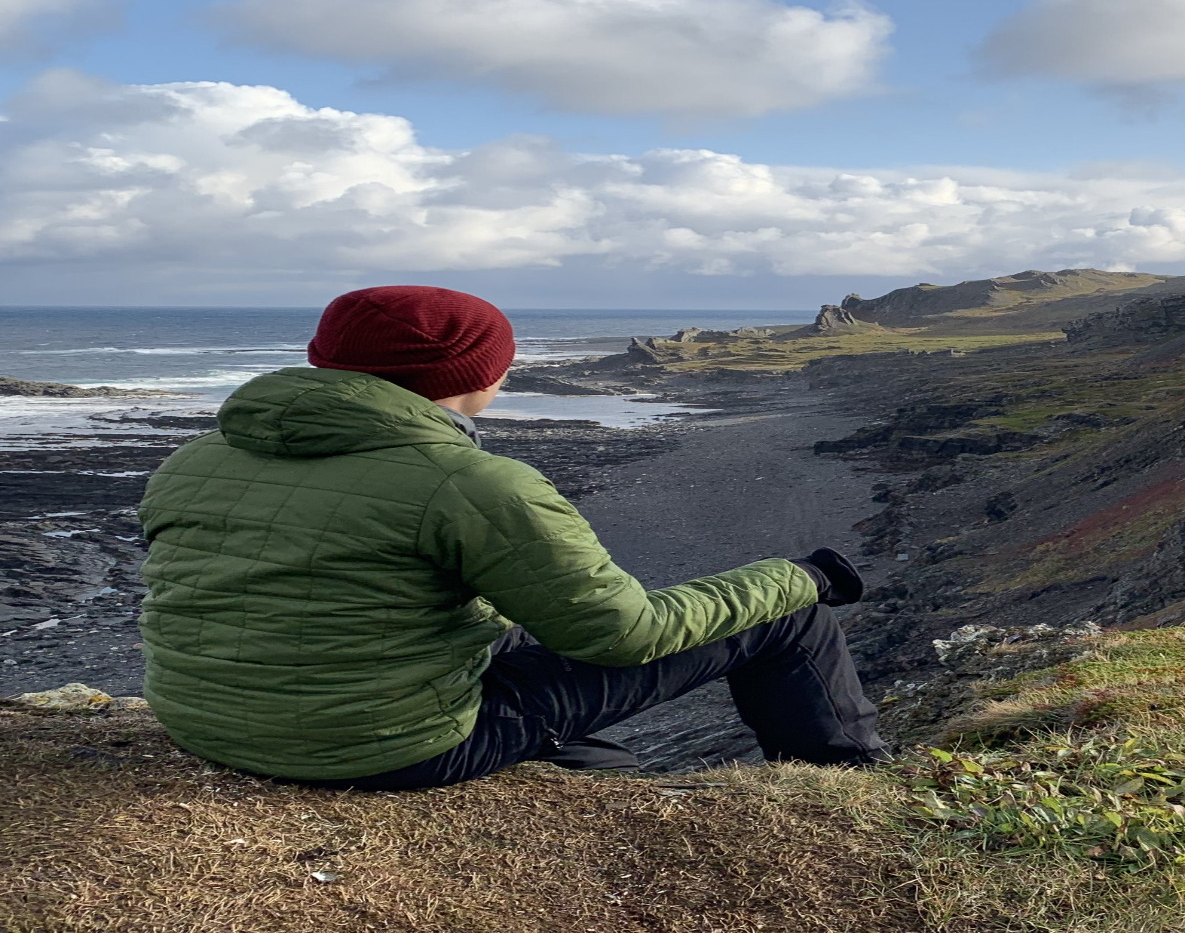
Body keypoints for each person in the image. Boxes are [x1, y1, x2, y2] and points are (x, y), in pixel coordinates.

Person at [137, 285, 887, 790]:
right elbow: (622, 635)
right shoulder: (466, 480)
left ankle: (587, 769)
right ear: (479, 374)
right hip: (388, 750)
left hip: (208, 724)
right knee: (785, 612)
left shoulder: (196, 458)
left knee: (517, 630)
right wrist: (807, 575)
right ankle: (849, 793)